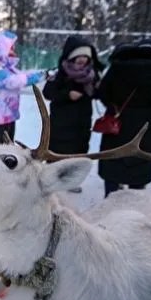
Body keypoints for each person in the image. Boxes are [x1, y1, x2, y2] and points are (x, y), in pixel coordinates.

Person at [97, 39, 151, 197]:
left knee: (113, 162)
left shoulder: (119, 65)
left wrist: (113, 105)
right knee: (140, 164)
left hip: (118, 123)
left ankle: (108, 204)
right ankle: (135, 206)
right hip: (147, 123)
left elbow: (102, 92)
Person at [42, 36, 105, 193]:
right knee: (57, 148)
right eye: (79, 56)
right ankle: (52, 178)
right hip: (61, 120)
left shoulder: (93, 74)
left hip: (81, 120)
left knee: (79, 148)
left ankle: (72, 181)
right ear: (71, 56)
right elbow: (48, 92)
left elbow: (98, 95)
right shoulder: (60, 73)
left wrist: (98, 89)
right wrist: (67, 94)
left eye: (86, 56)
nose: (83, 60)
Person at [0, 30, 44, 143]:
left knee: (9, 150)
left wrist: (42, 74)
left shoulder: (7, 68)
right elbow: (14, 81)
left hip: (8, 118)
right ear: (1, 49)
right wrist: (38, 77)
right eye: (10, 47)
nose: (13, 50)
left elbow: (22, 75)